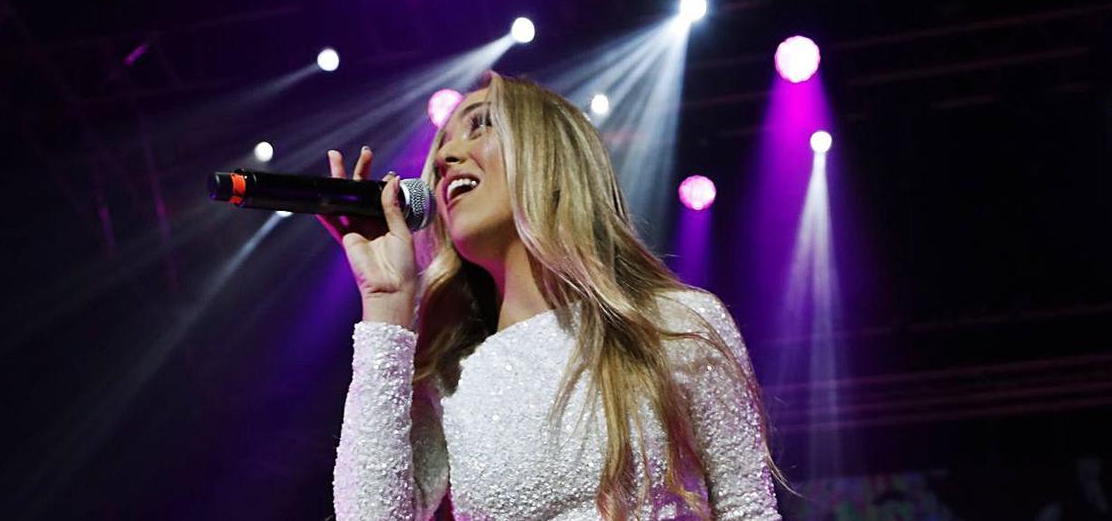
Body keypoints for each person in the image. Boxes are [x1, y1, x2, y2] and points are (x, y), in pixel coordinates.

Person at [319, 73, 782, 520]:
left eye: (480, 125)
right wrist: (385, 302)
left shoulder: (675, 325)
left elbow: (749, 512)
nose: (447, 157)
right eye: (441, 148)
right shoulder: (450, 377)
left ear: (553, 158)